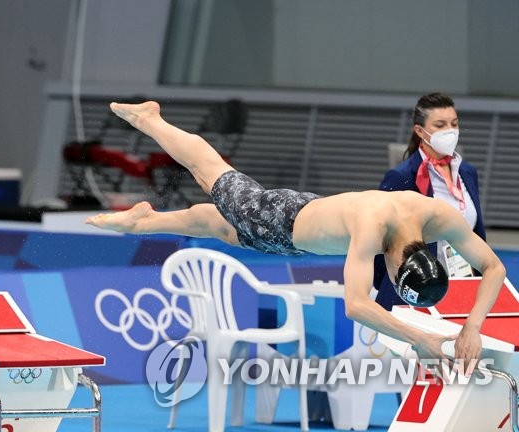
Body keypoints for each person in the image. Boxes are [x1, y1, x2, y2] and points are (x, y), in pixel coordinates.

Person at [84, 100, 504, 372]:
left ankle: (142, 220)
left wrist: (472, 326)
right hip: (279, 218)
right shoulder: (373, 225)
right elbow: (357, 305)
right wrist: (425, 338)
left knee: (216, 227)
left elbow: (493, 267)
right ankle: (151, 118)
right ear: (397, 266)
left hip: (296, 226)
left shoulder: (440, 216)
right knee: (209, 170)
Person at [373, 93, 486, 309]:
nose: (450, 131)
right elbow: (380, 240)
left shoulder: (467, 172)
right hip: (416, 291)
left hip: (463, 287)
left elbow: (477, 234)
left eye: (454, 124)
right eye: (440, 125)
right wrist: (387, 286)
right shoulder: (401, 177)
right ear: (419, 131)